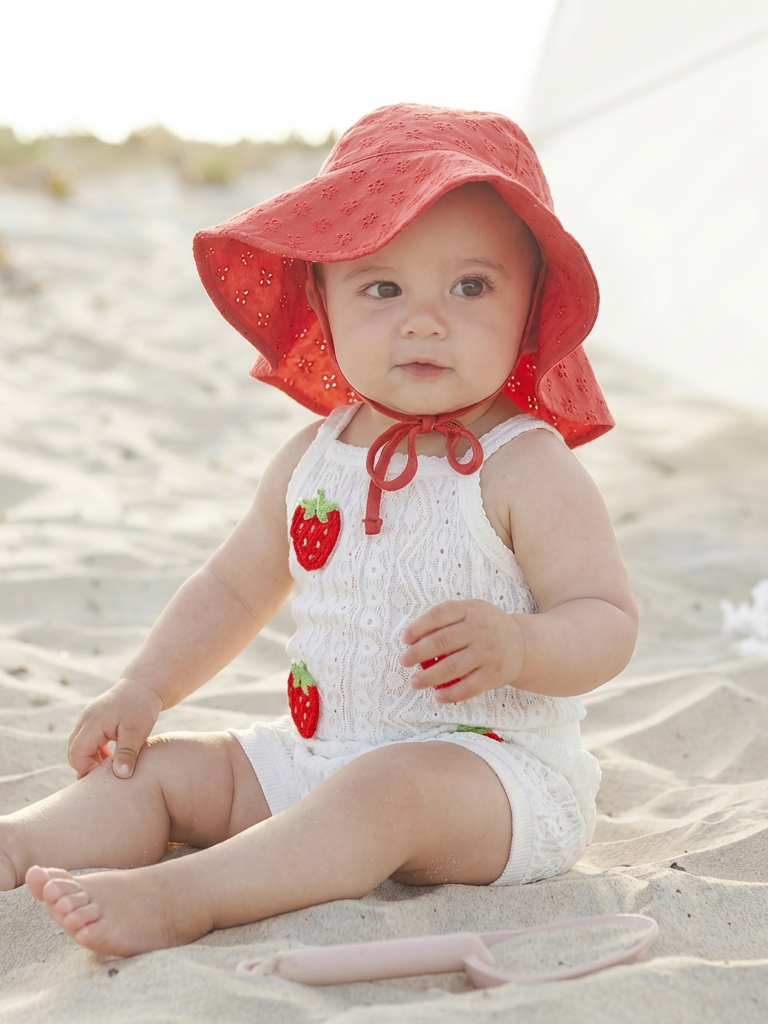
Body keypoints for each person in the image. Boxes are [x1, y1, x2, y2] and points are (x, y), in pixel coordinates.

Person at [0, 104, 638, 957]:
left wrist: (521, 647)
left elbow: (607, 620)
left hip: (493, 779)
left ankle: (189, 894)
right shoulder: (316, 455)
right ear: (322, 299)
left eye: (471, 286)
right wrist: (146, 689)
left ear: (531, 308)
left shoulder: (524, 465)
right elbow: (232, 587)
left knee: (387, 788)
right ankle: (20, 844)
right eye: (383, 287)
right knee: (163, 771)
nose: (424, 320)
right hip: (317, 755)